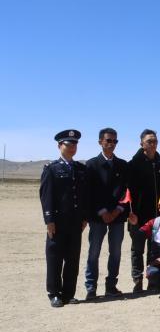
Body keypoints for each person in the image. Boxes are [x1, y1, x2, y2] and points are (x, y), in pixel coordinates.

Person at [40, 130, 89, 307]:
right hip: (58, 222)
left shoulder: (80, 169)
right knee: (55, 257)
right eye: (68, 144)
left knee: (72, 258)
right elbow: (46, 196)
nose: (72, 147)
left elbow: (84, 196)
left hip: (75, 222)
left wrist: (85, 217)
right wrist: (49, 220)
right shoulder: (51, 169)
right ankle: (54, 293)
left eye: (75, 144)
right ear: (59, 145)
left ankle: (68, 293)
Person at [84, 128, 129, 300]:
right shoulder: (91, 165)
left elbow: (126, 191)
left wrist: (117, 210)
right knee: (94, 252)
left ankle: (111, 286)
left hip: (118, 216)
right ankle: (91, 288)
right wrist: (103, 212)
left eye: (114, 141)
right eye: (108, 140)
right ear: (100, 142)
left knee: (115, 252)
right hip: (97, 217)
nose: (112, 144)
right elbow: (89, 192)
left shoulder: (123, 165)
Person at [127, 129, 160, 293]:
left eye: (155, 141)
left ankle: (153, 281)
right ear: (142, 144)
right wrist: (129, 213)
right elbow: (126, 192)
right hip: (138, 217)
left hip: (157, 218)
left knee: (154, 251)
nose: (153, 144)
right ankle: (137, 280)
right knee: (137, 250)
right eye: (149, 141)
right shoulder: (132, 165)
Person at [127, 194, 160, 294]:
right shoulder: (153, 223)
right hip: (157, 263)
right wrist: (134, 225)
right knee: (153, 273)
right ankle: (158, 284)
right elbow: (138, 237)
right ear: (159, 209)